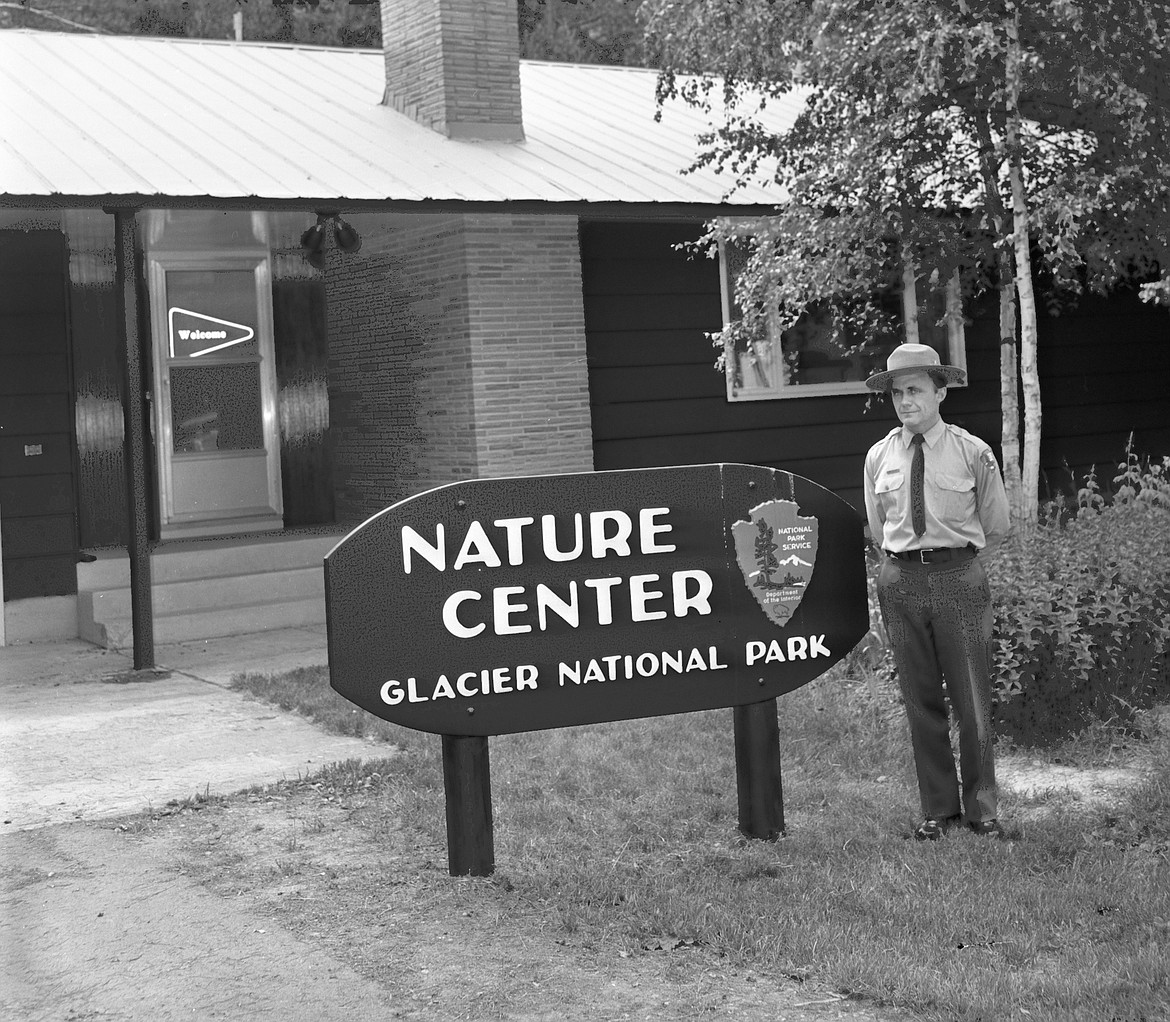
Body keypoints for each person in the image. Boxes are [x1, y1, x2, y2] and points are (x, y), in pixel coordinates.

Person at [862, 343, 1011, 841]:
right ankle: (938, 809)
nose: (906, 401)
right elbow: (877, 524)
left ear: (940, 392)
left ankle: (982, 809)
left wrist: (955, 567)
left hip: (958, 579)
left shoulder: (973, 452)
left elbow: (995, 525)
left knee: (971, 697)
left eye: (916, 390)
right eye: (898, 392)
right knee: (919, 698)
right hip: (900, 581)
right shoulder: (878, 456)